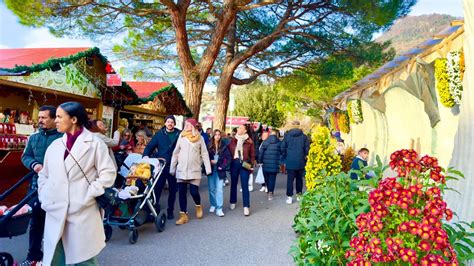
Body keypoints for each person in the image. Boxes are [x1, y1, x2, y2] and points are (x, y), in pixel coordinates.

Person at [37, 102, 116, 265]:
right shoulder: (55, 145)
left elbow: (108, 173)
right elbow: (44, 175)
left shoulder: (95, 144)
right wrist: (44, 196)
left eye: (59, 117)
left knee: (84, 260)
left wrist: (89, 194)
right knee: (54, 259)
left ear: (73, 119)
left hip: (82, 210)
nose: (56, 120)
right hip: (55, 209)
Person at [20, 105, 63, 266]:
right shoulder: (33, 138)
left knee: (56, 224)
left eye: (44, 118)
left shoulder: (63, 139)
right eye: (39, 118)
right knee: (36, 223)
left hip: (58, 188)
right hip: (35, 186)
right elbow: (26, 156)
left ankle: (56, 259)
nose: (40, 120)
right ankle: (33, 256)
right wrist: (34, 165)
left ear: (53, 119)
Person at [170, 118, 211, 225]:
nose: (186, 126)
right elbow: (175, 152)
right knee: (182, 193)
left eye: (188, 125)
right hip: (182, 169)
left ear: (193, 126)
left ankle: (198, 205)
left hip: (195, 169)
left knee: (194, 192)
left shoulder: (200, 138)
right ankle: (183, 216)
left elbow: (205, 154)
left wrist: (208, 169)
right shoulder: (182, 136)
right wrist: (172, 168)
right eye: (185, 124)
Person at [143, 115, 181, 219]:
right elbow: (150, 146)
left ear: (174, 123)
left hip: (174, 165)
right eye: (168, 122)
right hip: (161, 165)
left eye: (172, 122)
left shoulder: (179, 134)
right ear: (165, 123)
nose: (170, 123)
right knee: (157, 188)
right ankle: (154, 209)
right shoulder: (159, 134)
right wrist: (145, 156)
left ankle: (170, 211)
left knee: (173, 190)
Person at [227, 124, 256, 216]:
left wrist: (251, 165)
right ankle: (232, 201)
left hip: (244, 164)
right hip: (234, 163)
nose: (238, 129)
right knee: (233, 184)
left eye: (240, 128)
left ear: (245, 131)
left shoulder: (249, 141)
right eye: (238, 128)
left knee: (245, 186)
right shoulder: (233, 140)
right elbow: (228, 151)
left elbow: (252, 155)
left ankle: (246, 206)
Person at [281, 120, 310, 204]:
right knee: (299, 178)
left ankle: (289, 197)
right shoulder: (304, 137)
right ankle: (299, 195)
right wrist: (304, 156)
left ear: (292, 126)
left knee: (290, 179)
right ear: (299, 126)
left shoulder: (287, 136)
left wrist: (285, 156)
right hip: (300, 160)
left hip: (290, 160)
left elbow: (282, 147)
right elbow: (307, 148)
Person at [207, 129, 231, 217]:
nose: (217, 136)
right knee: (212, 189)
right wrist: (210, 161)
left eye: (218, 134)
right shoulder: (208, 145)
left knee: (219, 189)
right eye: (215, 134)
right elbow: (205, 157)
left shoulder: (224, 146)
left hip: (220, 170)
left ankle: (219, 208)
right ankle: (213, 204)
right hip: (211, 170)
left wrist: (223, 166)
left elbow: (228, 158)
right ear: (213, 136)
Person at [258, 130, 281, 201]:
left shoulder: (265, 142)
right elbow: (282, 153)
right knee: (272, 179)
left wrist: (260, 161)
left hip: (266, 163)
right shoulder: (279, 143)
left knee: (267, 178)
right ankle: (270, 192)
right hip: (275, 163)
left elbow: (261, 153)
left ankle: (268, 190)